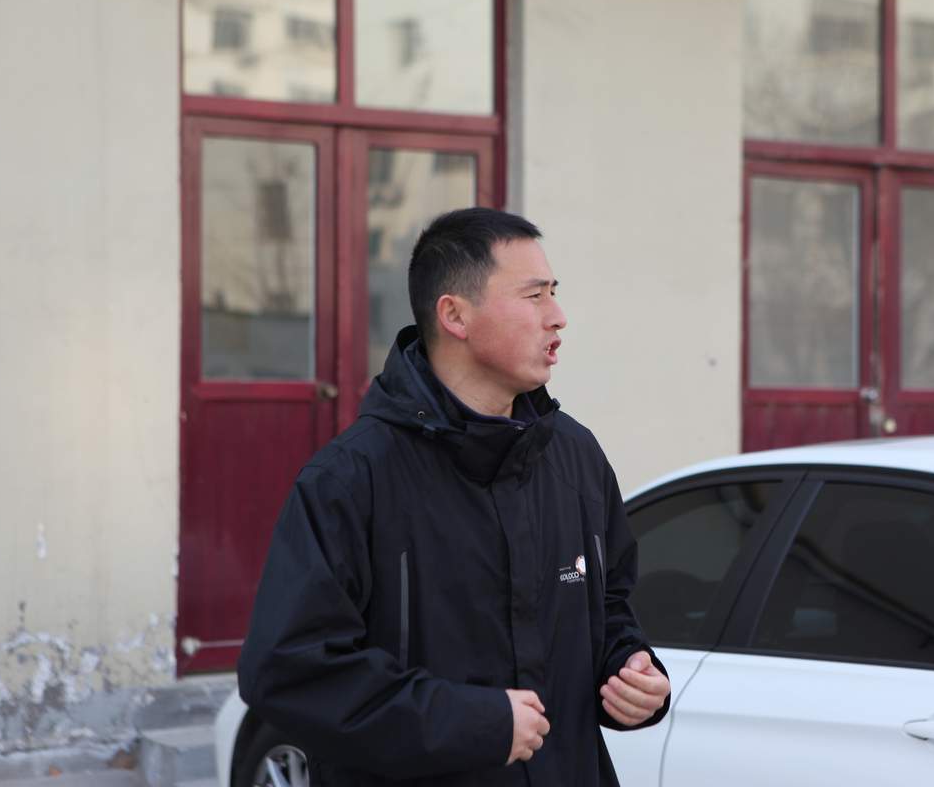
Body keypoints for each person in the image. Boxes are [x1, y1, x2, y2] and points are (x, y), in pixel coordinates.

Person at [237, 207, 671, 786]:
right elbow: (290, 673)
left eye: (554, 293)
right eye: (534, 296)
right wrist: (473, 723)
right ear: (455, 315)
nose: (558, 316)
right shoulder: (351, 479)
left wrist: (630, 670)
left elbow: (611, 603)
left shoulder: (575, 456)